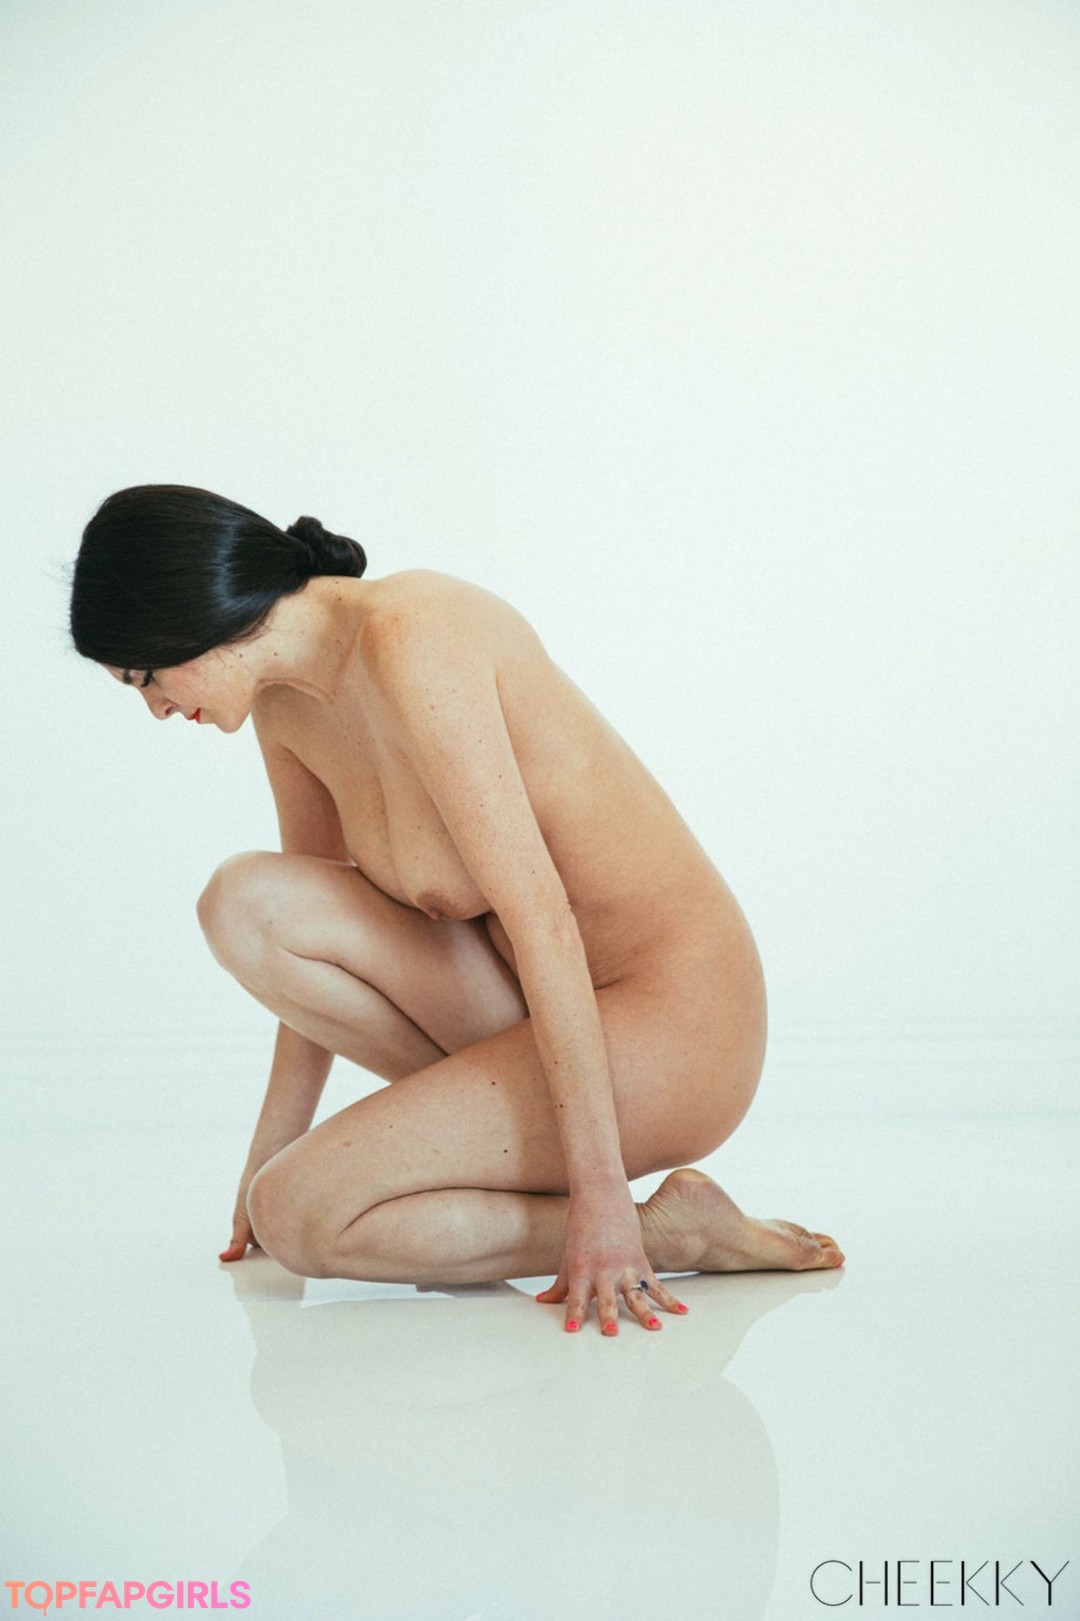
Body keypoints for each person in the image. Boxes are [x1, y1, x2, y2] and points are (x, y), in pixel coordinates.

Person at [70, 484, 843, 1336]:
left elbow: (544, 919)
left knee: (302, 1212)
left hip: (677, 1025)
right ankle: (641, 1214)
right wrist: (263, 1162)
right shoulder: (284, 705)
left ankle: (655, 1229)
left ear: (183, 613)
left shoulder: (415, 635)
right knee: (245, 904)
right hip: (541, 1015)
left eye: (144, 675)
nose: (155, 706)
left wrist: (601, 1199)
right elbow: (314, 958)